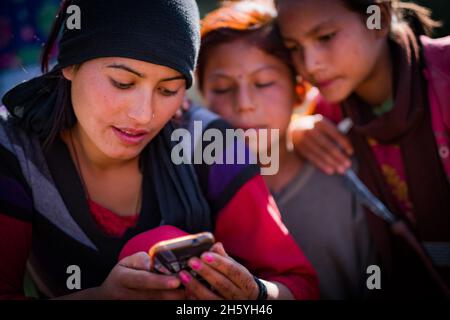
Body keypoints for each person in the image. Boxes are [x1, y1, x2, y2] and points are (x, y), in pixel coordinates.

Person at [0, 0, 318, 300]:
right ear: (70, 65)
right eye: (122, 82)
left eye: (168, 90)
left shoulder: (208, 142)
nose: (143, 115)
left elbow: (299, 284)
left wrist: (255, 295)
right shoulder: (14, 152)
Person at [197, 0, 374, 299]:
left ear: (299, 89)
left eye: (264, 83)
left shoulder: (348, 179)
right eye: (223, 88)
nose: (244, 103)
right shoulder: (191, 187)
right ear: (202, 95)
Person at [276, 0, 450, 298]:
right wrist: (294, 129)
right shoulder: (326, 117)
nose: (310, 63)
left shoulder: (445, 69)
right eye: (293, 46)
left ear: (378, 18)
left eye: (325, 37)